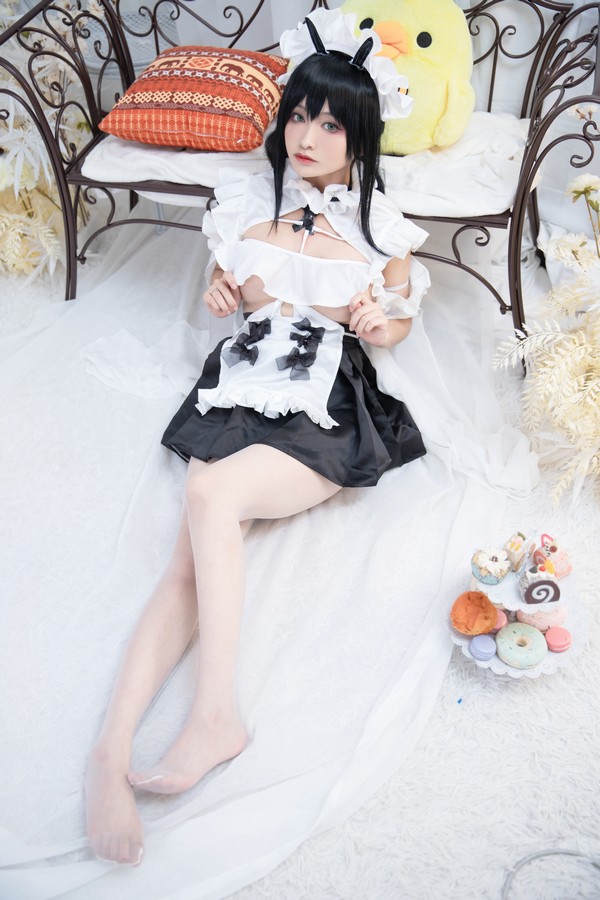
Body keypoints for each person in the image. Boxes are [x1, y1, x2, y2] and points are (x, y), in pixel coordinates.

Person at [84, 8, 431, 867]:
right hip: (241, 391)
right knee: (184, 565)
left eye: (331, 125)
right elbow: (230, 291)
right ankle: (106, 756)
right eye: (300, 115)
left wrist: (376, 321)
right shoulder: (247, 202)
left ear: (361, 137)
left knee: (209, 493)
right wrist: (223, 297)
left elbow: (395, 328)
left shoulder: (382, 226)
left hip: (327, 411)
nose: (307, 136)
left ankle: (216, 716)